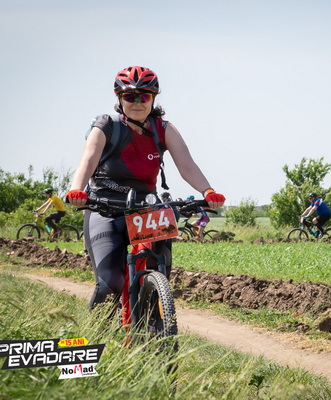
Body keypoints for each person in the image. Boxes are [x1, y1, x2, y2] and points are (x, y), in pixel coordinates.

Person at [65, 65, 225, 311]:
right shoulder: (106, 125)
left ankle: (153, 320)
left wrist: (208, 191)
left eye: (145, 96)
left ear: (153, 99)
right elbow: (88, 160)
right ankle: (98, 331)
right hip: (104, 208)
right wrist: (77, 190)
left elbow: (187, 165)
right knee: (111, 283)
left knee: (159, 271)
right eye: (130, 96)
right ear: (120, 99)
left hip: (146, 210)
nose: (137, 102)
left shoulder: (164, 129)